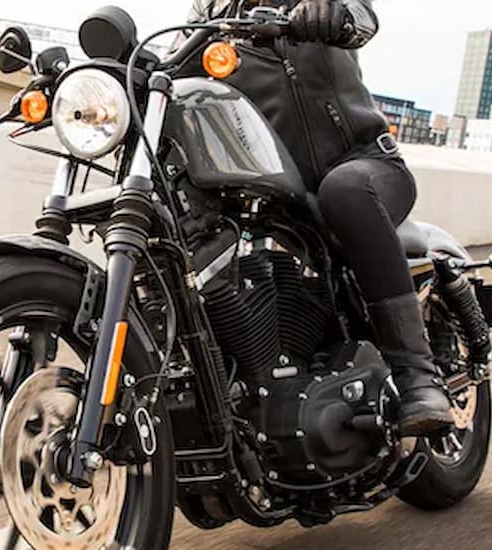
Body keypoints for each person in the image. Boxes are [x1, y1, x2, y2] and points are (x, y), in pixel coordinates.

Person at [183, 0, 454, 435]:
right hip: (279, 187)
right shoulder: (210, 20)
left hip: (364, 165)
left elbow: (362, 17)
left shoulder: (312, 7)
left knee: (344, 192)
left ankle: (417, 375)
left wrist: (332, 13)